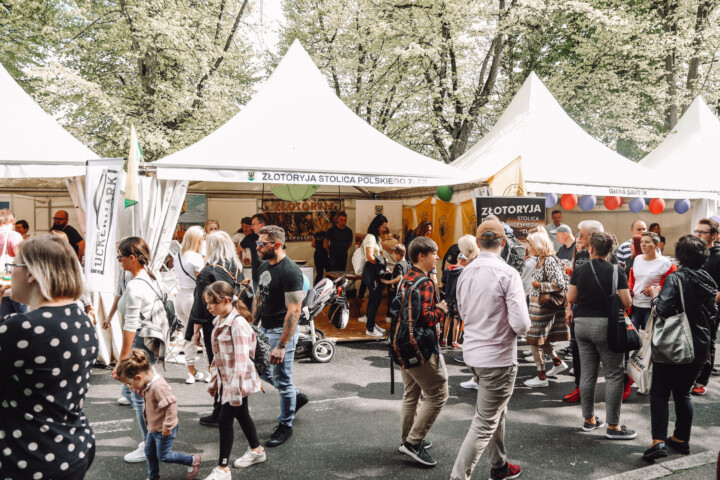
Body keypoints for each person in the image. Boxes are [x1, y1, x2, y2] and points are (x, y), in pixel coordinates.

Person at [0, 235, 98, 480]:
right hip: (72, 445)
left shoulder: (21, 327)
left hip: (28, 456)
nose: (10, 274)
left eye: (14, 266)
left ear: (32, 273)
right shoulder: (80, 319)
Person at [451, 220, 530, 480]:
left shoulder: (466, 272)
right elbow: (521, 324)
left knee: (495, 411)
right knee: (485, 422)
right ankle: (459, 476)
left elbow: (463, 312)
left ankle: (500, 465)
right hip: (497, 357)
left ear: (477, 242)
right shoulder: (508, 273)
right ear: (503, 242)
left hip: (473, 353)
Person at [642, 235, 717, 460]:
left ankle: (658, 441)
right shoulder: (708, 279)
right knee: (683, 393)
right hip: (700, 344)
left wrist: (655, 296)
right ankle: (681, 439)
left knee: (660, 392)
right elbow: (712, 312)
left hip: (675, 343)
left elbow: (663, 309)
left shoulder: (676, 278)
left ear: (681, 256)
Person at [567, 232, 636, 439]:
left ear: (590, 248)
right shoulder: (616, 270)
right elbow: (627, 303)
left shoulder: (579, 269)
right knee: (614, 374)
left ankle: (589, 420)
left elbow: (571, 297)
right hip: (607, 325)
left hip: (581, 324)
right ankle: (613, 426)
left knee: (587, 374)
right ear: (610, 251)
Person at [113, 236, 167, 463]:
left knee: (138, 397)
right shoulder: (153, 277)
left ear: (132, 258)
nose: (119, 262)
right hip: (151, 342)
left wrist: (122, 360)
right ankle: (153, 441)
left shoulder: (136, 285)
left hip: (141, 344)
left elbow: (130, 326)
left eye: (120, 257)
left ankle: (149, 446)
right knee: (137, 394)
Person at [203, 281, 265, 479]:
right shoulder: (220, 320)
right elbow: (217, 359)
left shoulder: (237, 324)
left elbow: (241, 362)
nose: (208, 307)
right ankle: (256, 451)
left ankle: (223, 469)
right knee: (242, 415)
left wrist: (234, 392)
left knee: (224, 419)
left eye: (211, 303)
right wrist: (215, 382)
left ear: (226, 300)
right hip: (229, 382)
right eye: (206, 303)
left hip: (237, 383)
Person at [254, 225, 309, 447]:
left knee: (282, 380)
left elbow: (294, 310)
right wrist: (252, 325)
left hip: (280, 331)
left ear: (276, 245)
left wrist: (282, 345)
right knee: (260, 369)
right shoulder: (264, 266)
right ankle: (297, 396)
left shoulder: (291, 272)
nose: (257, 247)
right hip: (264, 329)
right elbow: (259, 297)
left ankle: (286, 425)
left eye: (261, 244)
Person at [397, 237, 448, 467]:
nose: (437, 257)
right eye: (434, 253)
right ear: (422, 256)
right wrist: (441, 309)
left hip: (402, 344)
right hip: (421, 348)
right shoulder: (425, 283)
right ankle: (413, 443)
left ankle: (407, 439)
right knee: (438, 394)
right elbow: (426, 318)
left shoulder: (406, 278)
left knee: (411, 394)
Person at [116, 349, 202, 480]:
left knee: (164, 456)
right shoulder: (147, 384)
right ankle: (154, 476)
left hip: (164, 429)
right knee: (149, 452)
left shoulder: (158, 387)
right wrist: (130, 386)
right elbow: (143, 393)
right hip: (153, 427)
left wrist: (168, 426)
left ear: (138, 377)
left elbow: (171, 405)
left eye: (129, 383)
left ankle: (192, 460)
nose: (129, 386)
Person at [193, 231, 244, 427]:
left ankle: (220, 411)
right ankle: (230, 407)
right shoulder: (236, 267)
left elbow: (200, 301)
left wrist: (196, 327)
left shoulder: (208, 271)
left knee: (217, 366)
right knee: (232, 365)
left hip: (214, 323)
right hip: (235, 320)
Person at [563, 220, 606, 403]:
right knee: (577, 351)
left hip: (601, 311)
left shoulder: (607, 255)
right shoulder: (580, 253)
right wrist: (569, 308)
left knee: (606, 354)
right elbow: (572, 281)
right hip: (579, 308)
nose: (578, 238)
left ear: (593, 237)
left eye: (581, 235)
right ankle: (579, 387)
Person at [524, 227, 570, 388]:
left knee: (534, 340)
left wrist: (539, 285)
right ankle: (557, 363)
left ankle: (541, 377)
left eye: (532, 245)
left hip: (544, 308)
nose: (530, 248)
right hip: (539, 306)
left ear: (539, 245)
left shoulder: (549, 260)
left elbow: (560, 284)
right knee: (542, 339)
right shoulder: (543, 259)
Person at [173, 226, 207, 384]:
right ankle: (209, 371)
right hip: (194, 298)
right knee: (206, 334)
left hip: (180, 298)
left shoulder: (177, 256)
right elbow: (202, 282)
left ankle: (191, 371)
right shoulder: (195, 257)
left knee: (189, 336)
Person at [691, 218, 720, 395]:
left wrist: (710, 303)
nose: (698, 235)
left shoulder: (718, 256)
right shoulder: (696, 253)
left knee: (707, 343)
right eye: (697, 232)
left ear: (714, 235)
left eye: (702, 232)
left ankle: (701, 381)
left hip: (710, 309)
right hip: (692, 305)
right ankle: (690, 376)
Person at [628, 232, 676, 331]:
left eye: (647, 242)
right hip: (635, 305)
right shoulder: (637, 259)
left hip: (652, 307)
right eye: (641, 242)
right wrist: (629, 291)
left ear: (656, 245)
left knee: (649, 338)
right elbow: (632, 280)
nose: (643, 244)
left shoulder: (665, 263)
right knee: (634, 339)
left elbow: (671, 285)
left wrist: (653, 289)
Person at [361, 214, 390, 337]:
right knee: (374, 299)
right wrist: (382, 263)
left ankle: (372, 323)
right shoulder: (371, 237)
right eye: (383, 227)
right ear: (377, 226)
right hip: (372, 271)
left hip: (375, 270)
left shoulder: (376, 238)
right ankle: (370, 328)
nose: (385, 229)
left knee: (376, 299)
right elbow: (370, 257)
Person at [0, 208, 26, 319]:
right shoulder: (13, 235)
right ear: (13, 221)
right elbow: (22, 259)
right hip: (14, 287)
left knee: (6, 322)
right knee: (23, 320)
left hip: (2, 289)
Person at [441, 251, 467, 349]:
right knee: (456, 320)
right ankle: (454, 342)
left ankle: (444, 340)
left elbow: (443, 282)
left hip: (448, 298)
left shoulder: (448, 269)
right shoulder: (464, 271)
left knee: (447, 319)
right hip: (458, 299)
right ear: (464, 261)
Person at [241, 213, 266, 290]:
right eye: (251, 225)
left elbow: (282, 252)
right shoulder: (250, 237)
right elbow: (238, 250)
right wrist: (240, 265)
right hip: (256, 276)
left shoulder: (272, 236)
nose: (252, 227)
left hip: (271, 275)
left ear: (262, 225)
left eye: (254, 224)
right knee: (257, 300)